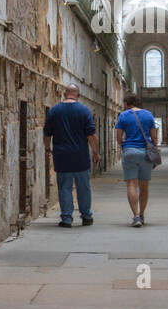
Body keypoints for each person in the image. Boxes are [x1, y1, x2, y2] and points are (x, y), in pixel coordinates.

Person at [43, 84, 100, 228]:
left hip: (62, 156)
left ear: (64, 94)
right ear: (78, 95)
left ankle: (67, 219)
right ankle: (86, 216)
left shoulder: (54, 111)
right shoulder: (84, 111)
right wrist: (96, 152)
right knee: (84, 188)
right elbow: (91, 135)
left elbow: (47, 134)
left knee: (64, 188)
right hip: (80, 156)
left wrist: (47, 149)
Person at [114, 93, 158, 227]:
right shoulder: (148, 115)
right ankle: (142, 214)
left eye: (124, 104)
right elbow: (154, 137)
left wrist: (125, 148)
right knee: (144, 186)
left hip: (129, 151)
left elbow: (119, 138)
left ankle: (136, 216)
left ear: (127, 103)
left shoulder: (123, 116)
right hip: (145, 152)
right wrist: (154, 151)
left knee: (131, 184)